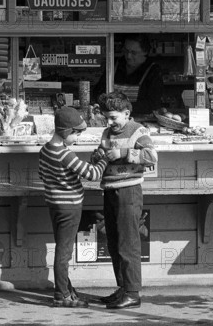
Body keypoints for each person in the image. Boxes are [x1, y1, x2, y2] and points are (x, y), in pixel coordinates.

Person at [91, 91, 158, 309]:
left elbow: (151, 157)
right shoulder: (106, 132)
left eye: (113, 118)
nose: (109, 122)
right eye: (106, 118)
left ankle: (132, 292)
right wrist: (97, 155)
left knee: (128, 242)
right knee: (114, 241)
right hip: (110, 189)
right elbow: (102, 152)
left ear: (126, 113)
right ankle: (122, 288)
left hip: (129, 191)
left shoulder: (139, 131)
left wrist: (122, 153)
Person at [38, 106, 108, 307]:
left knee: (61, 248)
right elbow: (94, 175)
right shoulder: (65, 154)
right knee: (64, 253)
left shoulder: (45, 150)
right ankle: (62, 295)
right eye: (76, 134)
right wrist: (103, 160)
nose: (77, 138)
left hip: (54, 205)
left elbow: (44, 175)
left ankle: (67, 289)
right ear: (66, 131)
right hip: (70, 207)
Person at [93, 34, 164, 116]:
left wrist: (121, 106)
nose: (129, 56)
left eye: (134, 53)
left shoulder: (153, 71)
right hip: (112, 117)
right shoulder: (115, 65)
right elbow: (98, 91)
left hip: (139, 119)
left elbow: (153, 104)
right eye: (126, 51)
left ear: (145, 52)